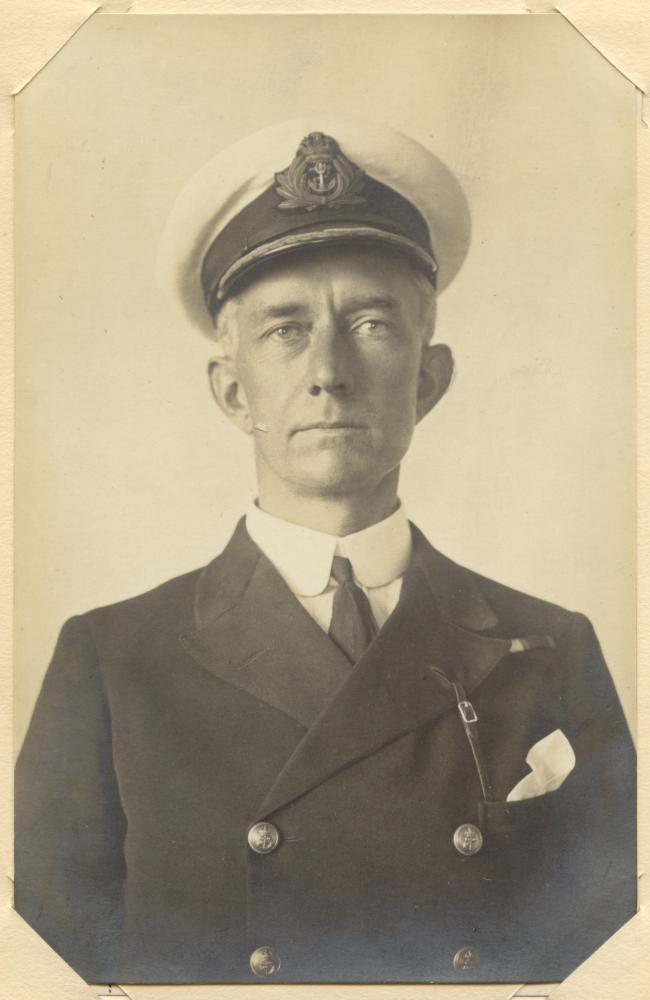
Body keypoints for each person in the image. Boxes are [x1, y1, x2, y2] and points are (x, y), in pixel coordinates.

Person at [14, 118, 636, 985]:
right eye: (284, 329)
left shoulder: (552, 648)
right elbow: (55, 965)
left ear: (429, 379)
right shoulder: (112, 661)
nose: (329, 372)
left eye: (372, 324)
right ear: (233, 392)